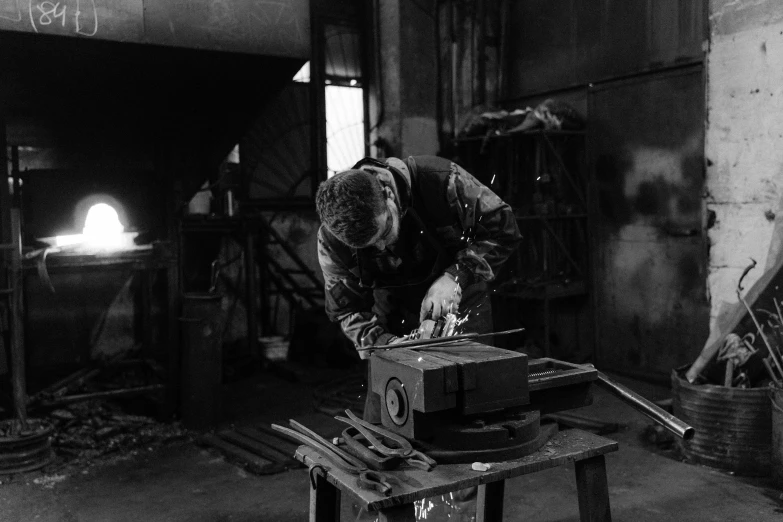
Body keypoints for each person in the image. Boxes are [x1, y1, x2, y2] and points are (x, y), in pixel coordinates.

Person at [315, 154, 522, 421]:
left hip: (463, 300)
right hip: (392, 313)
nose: (383, 247)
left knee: (472, 414)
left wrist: (457, 275)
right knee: (390, 424)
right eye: (369, 246)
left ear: (388, 194)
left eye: (385, 229)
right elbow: (346, 310)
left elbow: (503, 230)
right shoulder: (331, 241)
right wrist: (384, 343)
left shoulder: (440, 181)